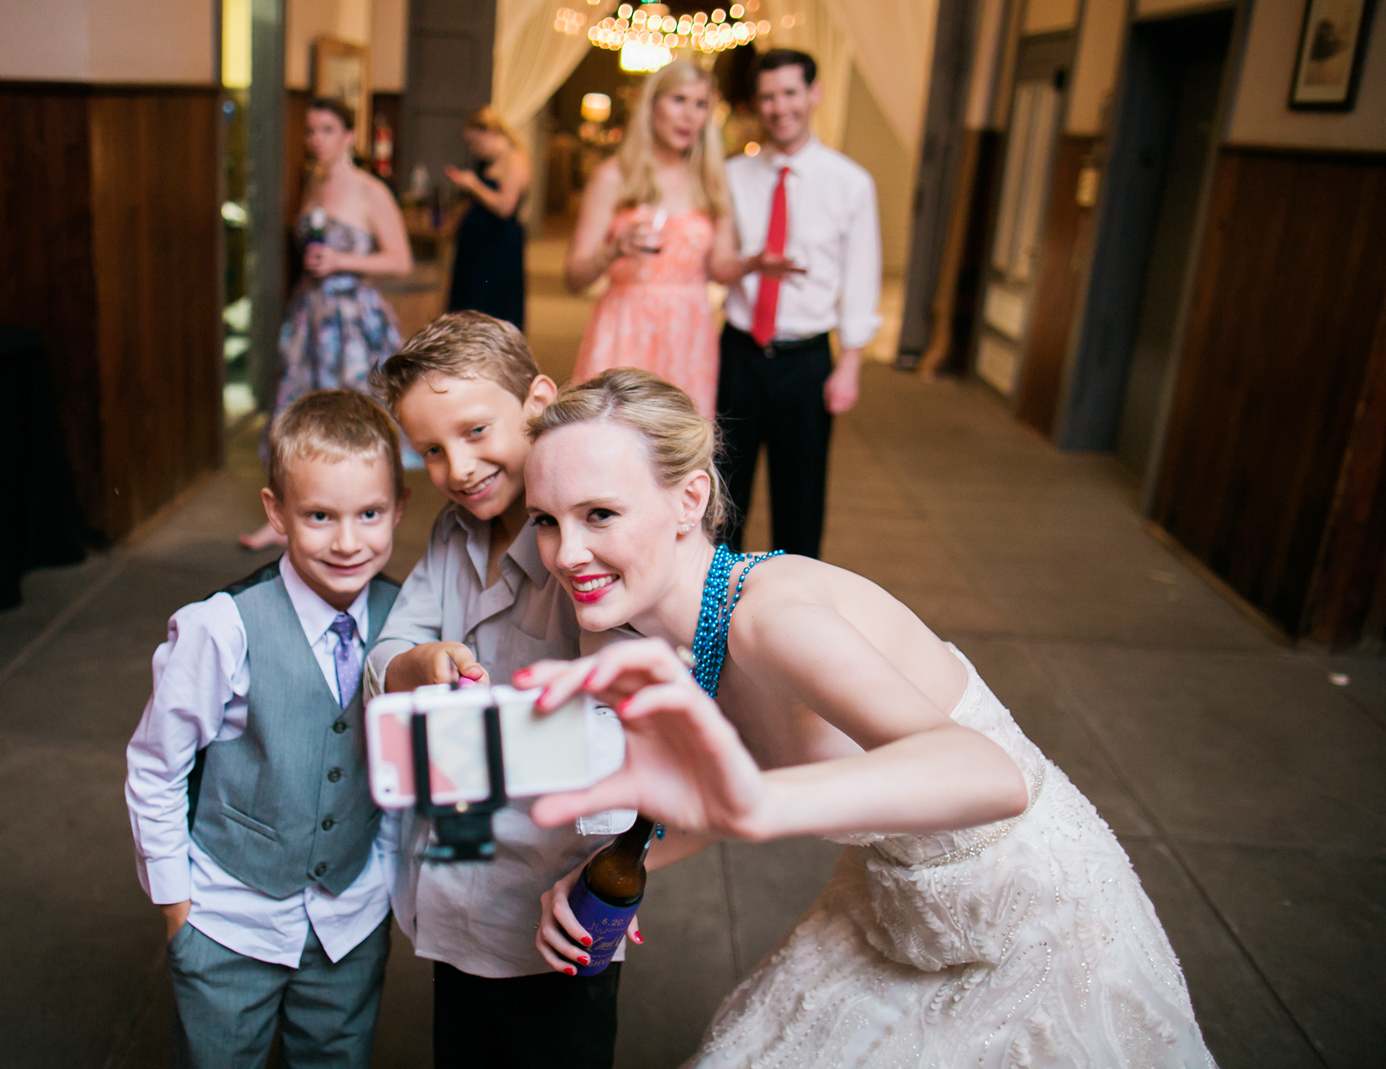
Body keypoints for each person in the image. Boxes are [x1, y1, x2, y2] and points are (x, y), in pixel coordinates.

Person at [516, 369, 1217, 1067]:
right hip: (897, 904)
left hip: (1040, 923)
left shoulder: (769, 619)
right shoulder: (642, 632)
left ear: (690, 497)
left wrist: (758, 802)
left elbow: (993, 775)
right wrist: (606, 873)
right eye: (546, 520)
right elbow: (711, 806)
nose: (566, 552)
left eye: (599, 514)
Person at [365, 311, 633, 1069]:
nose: (459, 467)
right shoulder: (454, 532)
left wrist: (439, 740)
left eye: (477, 430)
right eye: (431, 450)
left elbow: (621, 746)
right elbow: (389, 655)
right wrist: (416, 667)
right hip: (453, 884)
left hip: (553, 907)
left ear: (538, 402)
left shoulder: (585, 556)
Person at [127, 389, 408, 1068]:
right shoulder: (222, 627)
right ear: (275, 512)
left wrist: (388, 878)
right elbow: (156, 765)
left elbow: (404, 768)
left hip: (350, 921)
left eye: (370, 513)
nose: (348, 540)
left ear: (399, 508)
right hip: (230, 919)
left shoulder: (407, 622)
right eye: (319, 515)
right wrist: (176, 906)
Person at [717, 48, 881, 559]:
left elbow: (861, 277)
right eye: (767, 96)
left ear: (815, 94)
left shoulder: (850, 183)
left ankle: (791, 621)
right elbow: (716, 261)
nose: (779, 107)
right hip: (739, 353)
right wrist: (750, 263)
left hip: (806, 360)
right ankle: (714, 621)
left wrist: (849, 363)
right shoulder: (732, 175)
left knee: (801, 502)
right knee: (723, 497)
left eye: (789, 92)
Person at [238, 97, 413, 551]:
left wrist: (341, 260)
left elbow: (400, 260)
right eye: (311, 130)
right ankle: (288, 518)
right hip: (309, 314)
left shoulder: (370, 190)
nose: (317, 139)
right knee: (295, 414)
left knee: (357, 420)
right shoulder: (312, 183)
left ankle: (368, 513)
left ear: (350, 136)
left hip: (352, 317)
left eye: (328, 130)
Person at [565, 58, 752, 420]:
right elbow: (574, 279)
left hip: (689, 331)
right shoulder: (613, 177)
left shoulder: (712, 181)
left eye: (701, 105)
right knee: (611, 437)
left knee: (677, 452)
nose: (689, 116)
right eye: (678, 100)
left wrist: (753, 263)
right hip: (624, 326)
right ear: (652, 105)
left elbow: (721, 267)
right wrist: (613, 251)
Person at [445, 106, 529, 328]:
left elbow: (505, 207)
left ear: (491, 133)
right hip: (479, 246)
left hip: (497, 246)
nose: (474, 149)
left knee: (490, 307)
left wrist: (473, 185)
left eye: (476, 142)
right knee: (469, 307)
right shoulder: (490, 162)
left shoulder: (515, 159)